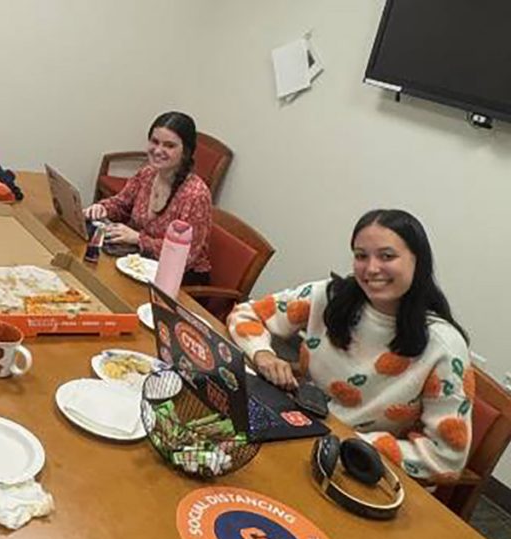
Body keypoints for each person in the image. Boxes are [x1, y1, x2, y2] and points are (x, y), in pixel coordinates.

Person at [227, 209, 473, 484]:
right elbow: (247, 314)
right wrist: (262, 353)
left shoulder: (444, 347)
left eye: (387, 256)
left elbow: (446, 458)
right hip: (300, 429)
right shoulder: (331, 296)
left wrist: (355, 444)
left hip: (359, 470)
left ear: (419, 261)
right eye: (361, 256)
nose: (371, 268)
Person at [83, 111, 213, 284]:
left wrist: (138, 239)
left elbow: (185, 257)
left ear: (186, 152)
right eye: (154, 141)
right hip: (140, 263)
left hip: (180, 281)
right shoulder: (148, 173)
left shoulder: (195, 195)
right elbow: (122, 204)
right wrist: (102, 208)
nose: (158, 150)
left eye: (169, 145)